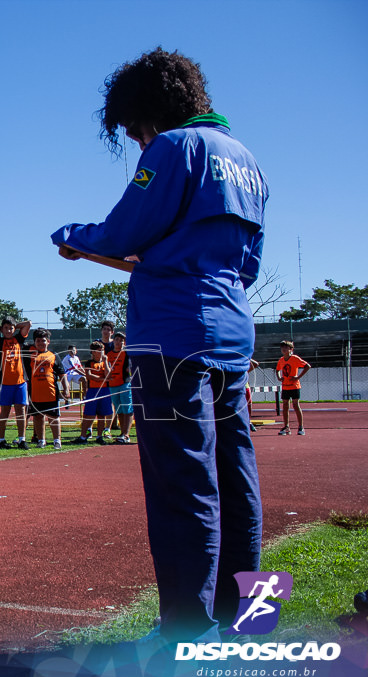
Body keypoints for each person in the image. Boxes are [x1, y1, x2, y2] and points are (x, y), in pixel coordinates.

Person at [51, 47, 268, 644]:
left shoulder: (174, 148)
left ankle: (185, 630)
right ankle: (252, 621)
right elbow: (248, 264)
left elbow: (123, 232)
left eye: (133, 132)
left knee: (181, 483)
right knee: (237, 477)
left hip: (170, 336)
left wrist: (70, 237)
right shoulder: (249, 161)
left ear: (149, 113)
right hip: (230, 329)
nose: (138, 143)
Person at [0, 316, 31, 449]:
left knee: (20, 411)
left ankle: (22, 439)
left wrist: (14, 326)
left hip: (20, 382)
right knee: (4, 411)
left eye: (11, 328)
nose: (9, 330)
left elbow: (28, 324)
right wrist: (1, 328)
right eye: (6, 328)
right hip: (4, 383)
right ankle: (1, 440)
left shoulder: (19, 339)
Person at [27, 329, 70, 449]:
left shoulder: (53, 355)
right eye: (38, 341)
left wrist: (66, 389)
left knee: (54, 417)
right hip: (35, 393)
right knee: (38, 417)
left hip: (50, 392)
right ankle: (41, 440)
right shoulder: (30, 354)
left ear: (48, 341)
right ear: (34, 342)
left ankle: (57, 440)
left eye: (43, 340)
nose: (41, 343)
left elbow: (62, 374)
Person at [72, 342, 112, 444]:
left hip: (104, 391)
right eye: (99, 350)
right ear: (93, 352)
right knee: (89, 415)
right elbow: (89, 375)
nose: (102, 352)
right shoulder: (89, 362)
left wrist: (106, 362)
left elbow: (108, 375)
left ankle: (99, 436)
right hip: (93, 391)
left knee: (102, 415)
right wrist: (102, 378)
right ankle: (83, 436)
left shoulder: (106, 362)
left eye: (102, 350)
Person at [276, 341, 310, 436]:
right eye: (282, 347)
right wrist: (279, 377)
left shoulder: (295, 358)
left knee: (295, 405)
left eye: (286, 347)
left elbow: (307, 366)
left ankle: (301, 426)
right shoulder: (281, 360)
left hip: (294, 386)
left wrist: (298, 377)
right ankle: (286, 427)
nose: (284, 349)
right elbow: (278, 369)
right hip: (285, 386)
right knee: (285, 405)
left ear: (291, 349)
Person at [107, 332, 134, 444]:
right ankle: (122, 433)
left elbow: (131, 367)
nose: (119, 342)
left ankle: (126, 434)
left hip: (125, 383)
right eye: (117, 340)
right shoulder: (108, 355)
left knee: (127, 409)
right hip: (113, 385)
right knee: (119, 410)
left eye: (121, 340)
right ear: (113, 341)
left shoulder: (127, 353)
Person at [246, 358, 260, 432]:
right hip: (235, 387)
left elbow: (255, 364)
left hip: (245, 386)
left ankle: (248, 421)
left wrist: (246, 356)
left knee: (249, 403)